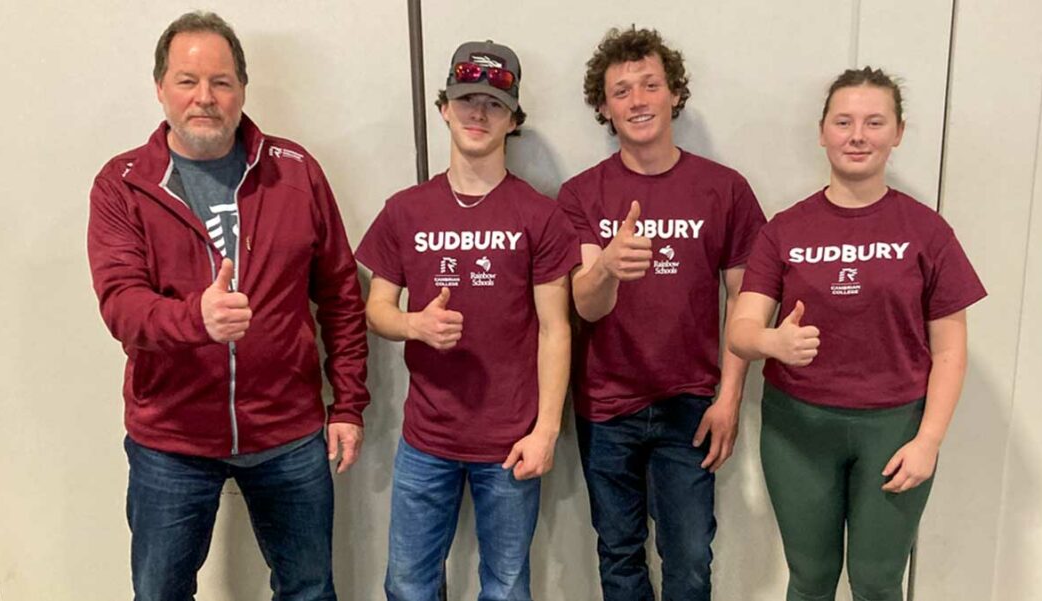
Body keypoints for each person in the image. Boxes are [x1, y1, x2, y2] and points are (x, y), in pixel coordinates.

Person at [86, 11, 368, 600]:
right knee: (160, 593)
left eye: (220, 82)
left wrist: (347, 405)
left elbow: (341, 292)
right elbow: (122, 305)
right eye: (187, 81)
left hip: (287, 433)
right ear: (160, 87)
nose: (205, 98)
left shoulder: (295, 171)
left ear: (242, 87)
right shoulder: (122, 183)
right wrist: (198, 319)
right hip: (171, 440)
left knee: (310, 590)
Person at [727, 67, 986, 601]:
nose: (857, 135)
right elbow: (742, 328)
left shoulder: (927, 230)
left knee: (875, 580)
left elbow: (952, 350)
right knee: (811, 577)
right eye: (843, 122)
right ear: (822, 132)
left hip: (895, 430)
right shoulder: (785, 229)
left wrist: (928, 441)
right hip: (798, 430)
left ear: (898, 132)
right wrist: (770, 342)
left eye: (874, 122)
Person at [355, 40, 579, 601]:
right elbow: (376, 309)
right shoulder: (405, 209)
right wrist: (414, 326)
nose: (478, 112)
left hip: (510, 441)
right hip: (425, 438)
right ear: (444, 109)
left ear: (513, 119)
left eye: (494, 103)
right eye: (466, 99)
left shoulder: (539, 214)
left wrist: (546, 431)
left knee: (505, 589)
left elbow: (556, 329)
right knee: (407, 585)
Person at [557, 27, 767, 601]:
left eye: (650, 85)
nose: (638, 100)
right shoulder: (580, 196)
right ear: (603, 107)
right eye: (621, 91)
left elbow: (744, 305)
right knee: (619, 558)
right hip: (605, 404)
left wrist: (729, 398)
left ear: (674, 93)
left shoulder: (724, 190)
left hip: (691, 405)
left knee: (691, 560)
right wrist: (606, 268)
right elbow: (583, 304)